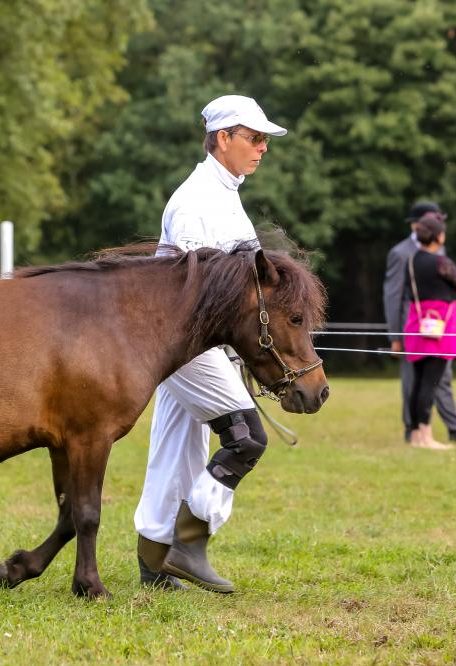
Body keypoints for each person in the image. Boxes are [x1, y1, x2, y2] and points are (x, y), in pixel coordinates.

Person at [133, 95, 286, 593]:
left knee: (178, 449)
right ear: (223, 138)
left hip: (198, 343)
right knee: (246, 437)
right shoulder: (196, 201)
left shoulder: (225, 193)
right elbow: (191, 293)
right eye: (254, 138)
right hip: (186, 341)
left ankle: (153, 565)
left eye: (265, 139)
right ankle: (189, 542)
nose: (262, 148)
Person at [383, 202, 456, 445]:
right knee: (417, 382)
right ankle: (415, 430)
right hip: (418, 328)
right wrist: (395, 337)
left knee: (439, 380)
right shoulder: (401, 253)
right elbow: (393, 296)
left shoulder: (433, 253)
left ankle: (454, 428)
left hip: (429, 326)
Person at [402, 214, 456, 450]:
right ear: (438, 235)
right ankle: (426, 436)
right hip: (440, 324)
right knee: (429, 383)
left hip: (416, 323)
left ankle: (415, 435)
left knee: (418, 382)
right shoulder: (441, 262)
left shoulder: (411, 261)